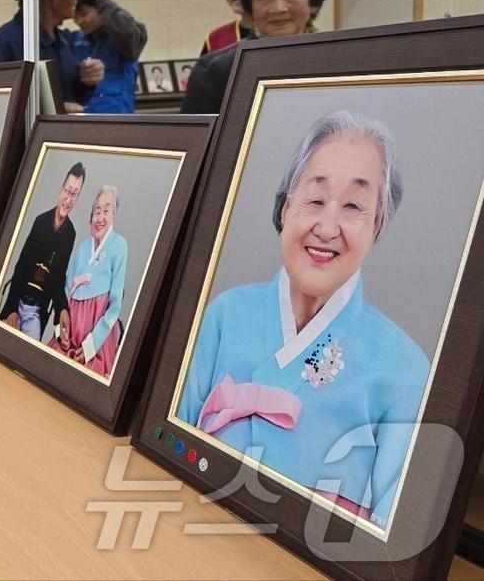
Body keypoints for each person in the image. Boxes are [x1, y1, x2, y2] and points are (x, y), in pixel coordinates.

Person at [176, 110, 423, 528]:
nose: (327, 227)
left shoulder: (406, 369)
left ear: (376, 224)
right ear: (287, 206)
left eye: (353, 206)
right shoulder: (225, 313)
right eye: (315, 199)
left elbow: (391, 542)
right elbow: (172, 451)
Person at [182, 0, 332, 114]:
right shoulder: (215, 70)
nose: (278, 8)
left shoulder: (340, 61)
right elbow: (192, 139)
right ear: (249, 5)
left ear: (314, 1)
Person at [0, 162, 84, 341]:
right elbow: (21, 265)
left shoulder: (70, 234)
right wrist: (12, 308)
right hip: (18, 298)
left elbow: (58, 277)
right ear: (61, 189)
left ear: (78, 197)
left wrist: (62, 308)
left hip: (36, 310)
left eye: (74, 194)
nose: (68, 199)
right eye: (68, 191)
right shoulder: (40, 221)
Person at [49, 186, 127, 375]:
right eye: (96, 211)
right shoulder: (83, 247)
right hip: (69, 338)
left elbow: (115, 307)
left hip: (96, 344)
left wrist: (90, 347)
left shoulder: (119, 246)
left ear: (114, 216)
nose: (100, 218)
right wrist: (62, 333)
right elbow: (66, 293)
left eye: (106, 211)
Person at [71, 0, 147, 113]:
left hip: (116, 120)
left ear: (99, 8)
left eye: (84, 14)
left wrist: (104, 2)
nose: (79, 21)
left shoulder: (123, 36)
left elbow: (127, 34)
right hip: (82, 120)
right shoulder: (76, 40)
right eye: (75, 16)